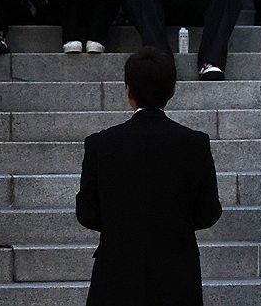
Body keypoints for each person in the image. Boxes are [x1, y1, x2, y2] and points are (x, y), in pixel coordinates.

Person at [75, 46, 222, 305]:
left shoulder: (101, 144)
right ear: (173, 89)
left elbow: (87, 212)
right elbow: (208, 212)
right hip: (177, 274)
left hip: (116, 273)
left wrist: (122, 224)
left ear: (128, 91)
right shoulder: (195, 143)